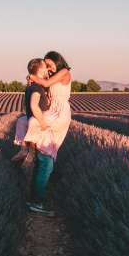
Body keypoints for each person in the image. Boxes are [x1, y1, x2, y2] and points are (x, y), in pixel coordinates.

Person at [23, 51, 72, 213]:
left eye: (49, 64)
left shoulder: (64, 72)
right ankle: (35, 201)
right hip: (51, 112)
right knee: (44, 161)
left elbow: (45, 82)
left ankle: (28, 149)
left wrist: (32, 76)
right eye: (46, 65)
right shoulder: (50, 77)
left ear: (57, 60)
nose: (49, 68)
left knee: (34, 122)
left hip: (59, 113)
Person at [12, 59, 50, 164]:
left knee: (21, 121)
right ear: (40, 70)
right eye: (45, 67)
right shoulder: (37, 86)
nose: (48, 68)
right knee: (43, 161)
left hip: (31, 119)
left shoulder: (30, 86)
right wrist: (43, 124)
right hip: (39, 123)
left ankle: (24, 149)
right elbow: (34, 105)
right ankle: (30, 153)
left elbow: (25, 104)